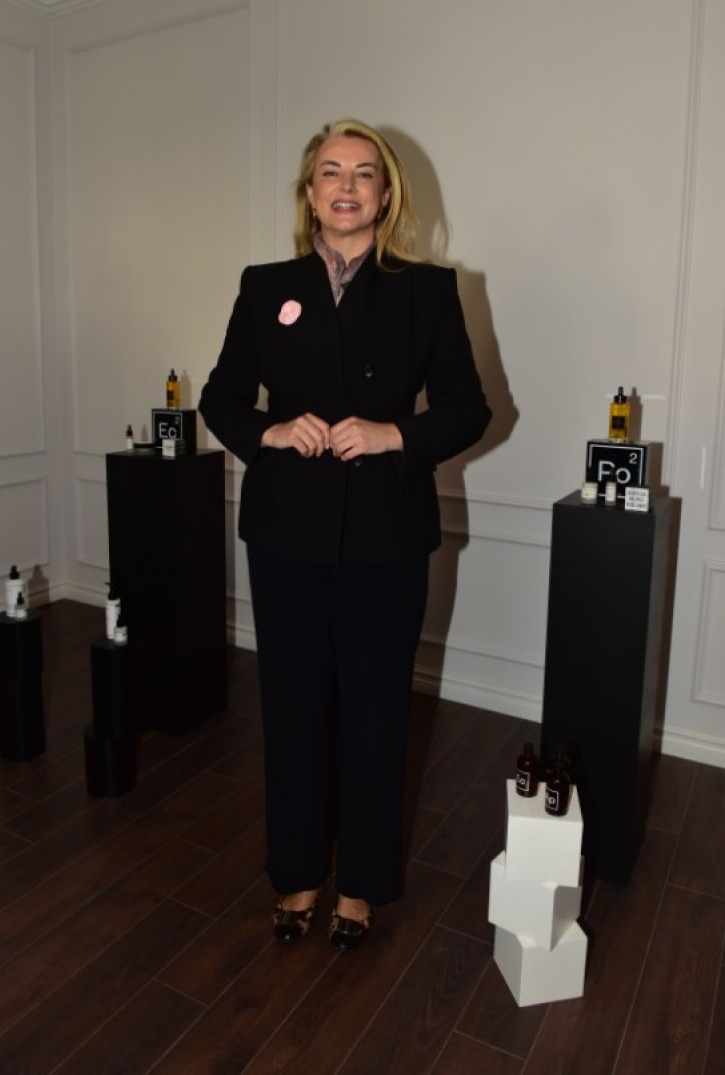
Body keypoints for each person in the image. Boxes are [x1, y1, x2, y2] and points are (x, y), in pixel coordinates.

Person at [199, 119, 491, 950]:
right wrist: (270, 431)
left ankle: (360, 882)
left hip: (385, 538)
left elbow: (468, 408)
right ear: (310, 191)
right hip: (285, 533)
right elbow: (221, 398)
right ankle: (295, 872)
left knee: (376, 710)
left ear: (386, 194)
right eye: (331, 171)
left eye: (365, 173)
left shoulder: (428, 290)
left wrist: (395, 434)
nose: (347, 186)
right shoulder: (265, 286)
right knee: (291, 706)